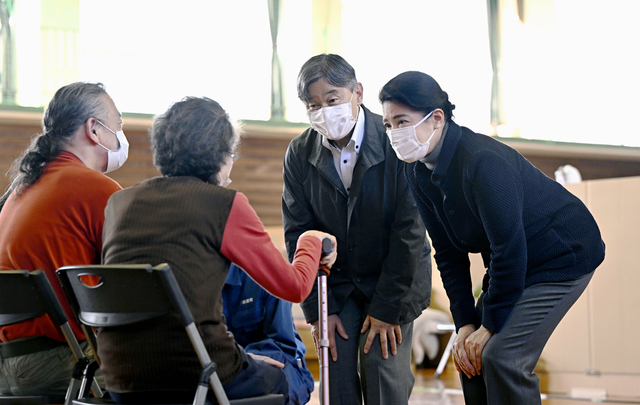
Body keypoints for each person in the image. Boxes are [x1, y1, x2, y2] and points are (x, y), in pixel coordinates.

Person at [379, 70, 606, 405]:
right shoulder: (416, 171)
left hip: (563, 253)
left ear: (436, 118)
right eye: (387, 125)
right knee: (469, 356)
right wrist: (466, 325)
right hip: (517, 258)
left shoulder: (482, 161)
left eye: (401, 122)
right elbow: (447, 254)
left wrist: (489, 325)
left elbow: (508, 248)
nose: (394, 133)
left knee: (501, 357)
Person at [98, 96, 337, 405]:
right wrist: (310, 240)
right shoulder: (224, 203)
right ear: (220, 154)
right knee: (289, 378)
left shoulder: (119, 203)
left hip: (121, 379)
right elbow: (293, 287)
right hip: (198, 375)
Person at [282, 54, 432, 405]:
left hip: (394, 279)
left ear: (358, 92)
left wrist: (387, 308)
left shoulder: (396, 140)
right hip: (337, 285)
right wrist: (320, 311)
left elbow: (409, 233)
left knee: (383, 370)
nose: (324, 111)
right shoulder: (299, 153)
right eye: (313, 105)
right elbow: (299, 235)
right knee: (335, 376)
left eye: (332, 100)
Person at [0, 82, 127, 396]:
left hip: (6, 364)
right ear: (93, 130)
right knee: (167, 373)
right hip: (63, 363)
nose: (121, 137)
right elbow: (129, 288)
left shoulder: (17, 192)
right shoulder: (99, 190)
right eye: (119, 126)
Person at [222, 263, 314, 405]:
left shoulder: (268, 272)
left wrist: (242, 359)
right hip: (226, 370)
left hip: (281, 363)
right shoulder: (193, 282)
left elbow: (282, 344)